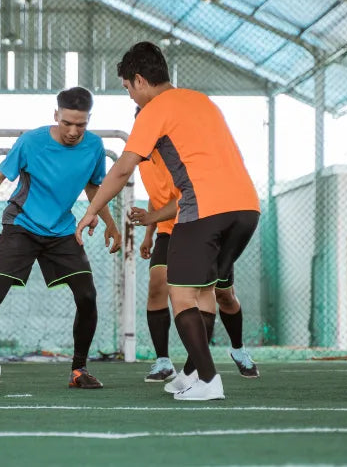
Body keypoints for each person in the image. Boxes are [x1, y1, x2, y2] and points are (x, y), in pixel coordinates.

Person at [76, 42, 260, 401]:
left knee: (179, 293)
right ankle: (191, 374)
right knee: (204, 292)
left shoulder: (154, 109)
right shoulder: (202, 101)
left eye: (128, 88)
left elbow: (122, 169)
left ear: (140, 80)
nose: (130, 96)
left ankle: (208, 381)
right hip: (247, 209)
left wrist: (91, 211)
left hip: (205, 209)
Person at [0, 87, 121, 392]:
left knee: (87, 296)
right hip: (22, 227)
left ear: (88, 121)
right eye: (67, 122)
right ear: (56, 115)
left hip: (62, 231)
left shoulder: (94, 147)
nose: (72, 131)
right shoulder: (31, 142)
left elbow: (94, 188)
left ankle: (78, 371)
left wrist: (110, 223)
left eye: (80, 124)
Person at [132, 144, 259, 383]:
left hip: (198, 226)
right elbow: (155, 196)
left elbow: (185, 199)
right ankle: (163, 361)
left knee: (223, 294)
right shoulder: (142, 160)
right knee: (158, 283)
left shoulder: (181, 153)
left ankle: (237, 348)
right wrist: (149, 234)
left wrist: (151, 218)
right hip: (168, 230)